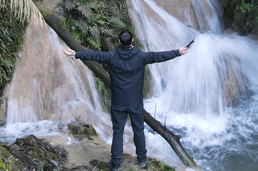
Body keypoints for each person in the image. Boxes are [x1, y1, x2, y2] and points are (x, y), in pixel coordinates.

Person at [64, 30, 188, 171]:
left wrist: (76, 54)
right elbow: (159, 56)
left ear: (119, 42)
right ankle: (142, 161)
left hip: (118, 102)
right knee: (138, 131)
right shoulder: (141, 57)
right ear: (132, 40)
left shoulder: (112, 56)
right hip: (135, 103)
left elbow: (94, 55)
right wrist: (178, 52)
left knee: (118, 131)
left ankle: (116, 163)